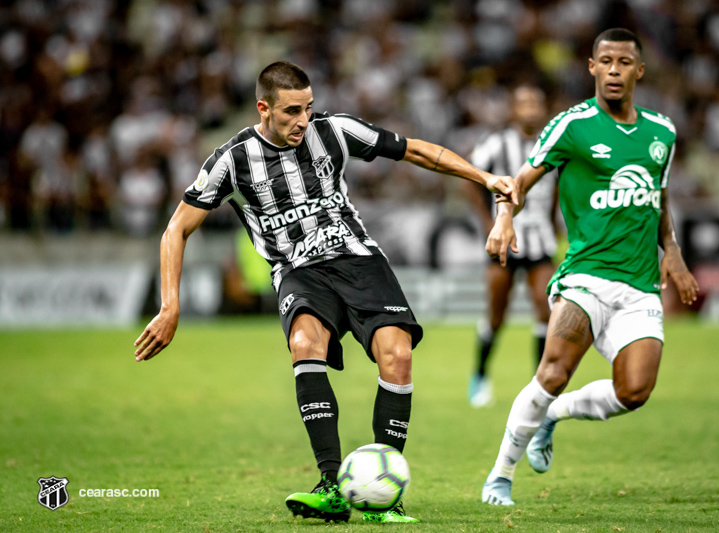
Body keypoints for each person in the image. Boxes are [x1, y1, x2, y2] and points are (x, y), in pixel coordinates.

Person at [132, 61, 517, 523]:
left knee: (398, 356)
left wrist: (485, 178)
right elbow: (176, 229)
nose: (303, 121)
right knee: (304, 344)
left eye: (308, 108)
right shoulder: (230, 161)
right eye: (292, 111)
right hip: (298, 272)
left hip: (358, 259)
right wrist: (169, 306)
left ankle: (382, 496)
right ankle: (331, 486)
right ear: (264, 108)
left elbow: (417, 152)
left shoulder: (335, 131)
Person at [480, 29, 699, 505]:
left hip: (640, 287)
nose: (615, 69)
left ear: (639, 71)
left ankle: (555, 415)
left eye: (624, 62)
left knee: (634, 391)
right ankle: (500, 474)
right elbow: (518, 182)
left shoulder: (662, 132)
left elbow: (657, 197)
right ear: (592, 67)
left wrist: (674, 254)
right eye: (606, 61)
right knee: (553, 371)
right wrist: (502, 220)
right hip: (585, 279)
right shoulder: (571, 125)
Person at [464, 85, 559, 408]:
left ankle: (538, 384)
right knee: (496, 316)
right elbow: (471, 179)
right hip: (504, 240)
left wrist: (553, 219)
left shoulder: (555, 145)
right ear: (514, 110)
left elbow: (557, 186)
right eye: (524, 103)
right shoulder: (496, 143)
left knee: (546, 310)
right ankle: (479, 374)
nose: (531, 108)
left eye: (536, 101)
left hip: (540, 240)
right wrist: (488, 224)